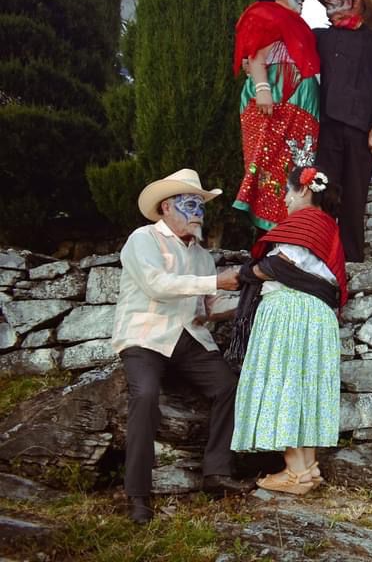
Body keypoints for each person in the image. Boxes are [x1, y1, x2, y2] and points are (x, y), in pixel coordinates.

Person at [114, 169, 250, 525]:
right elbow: (158, 285)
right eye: (189, 204)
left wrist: (248, 300)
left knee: (228, 387)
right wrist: (215, 280)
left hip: (188, 339)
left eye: (200, 206)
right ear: (165, 207)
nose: (197, 213)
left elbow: (206, 310)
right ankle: (138, 496)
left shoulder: (203, 256)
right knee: (144, 396)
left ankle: (215, 472)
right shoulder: (142, 239)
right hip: (146, 335)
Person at [229, 165, 347, 495]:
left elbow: (279, 265)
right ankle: (307, 469)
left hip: (291, 312)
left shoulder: (307, 221)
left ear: (304, 191)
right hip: (315, 315)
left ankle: (295, 472)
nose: (285, 198)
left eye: (287, 191)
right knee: (304, 386)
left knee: (285, 384)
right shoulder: (328, 225)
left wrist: (244, 273)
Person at [301, 0, 372, 263]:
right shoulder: (317, 37)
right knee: (320, 192)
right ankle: (316, 255)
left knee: (354, 199)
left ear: (356, 0)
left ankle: (353, 261)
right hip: (324, 130)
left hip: (360, 132)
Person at [232, 0, 321, 230]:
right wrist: (262, 89)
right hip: (275, 102)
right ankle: (275, 234)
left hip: (301, 105)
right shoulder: (264, 14)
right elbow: (255, 54)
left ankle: (295, 228)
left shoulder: (297, 24)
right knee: (270, 165)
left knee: (300, 168)